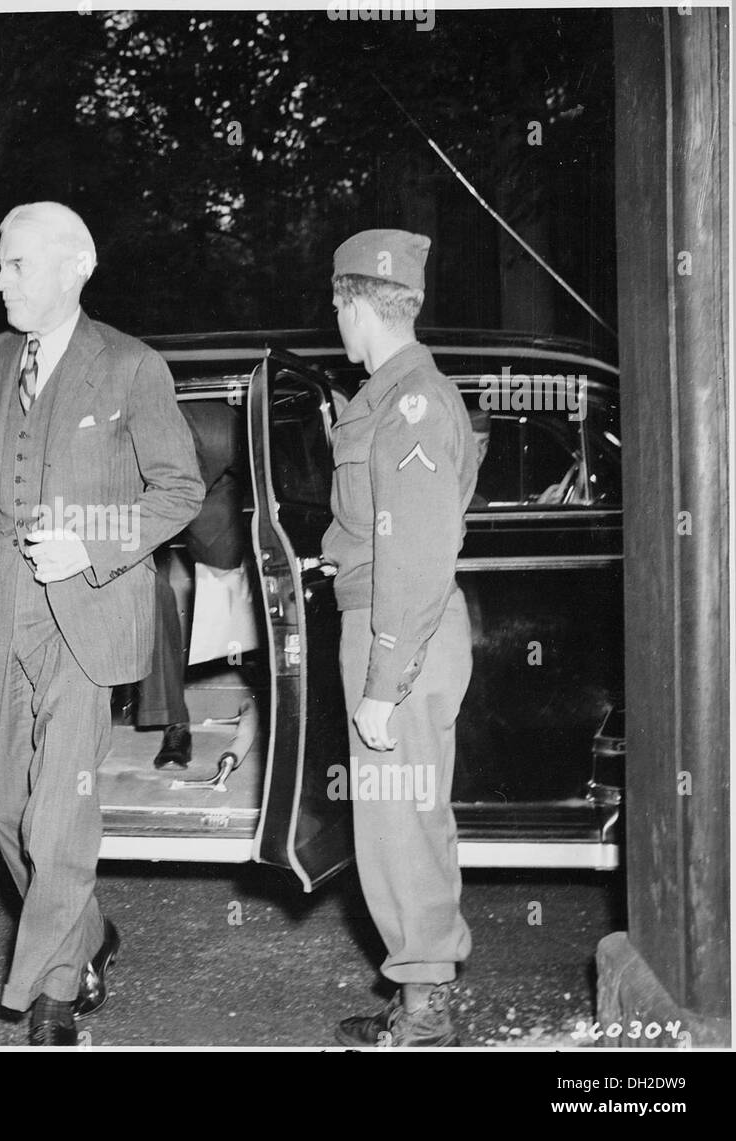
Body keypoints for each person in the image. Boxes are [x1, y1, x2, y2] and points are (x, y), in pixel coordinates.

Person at [0, 202, 203, 1046]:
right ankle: (87, 935)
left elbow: (180, 492)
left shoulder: (130, 366)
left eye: (15, 264)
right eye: (0, 264)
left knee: (59, 819)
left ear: (75, 266)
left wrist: (92, 542)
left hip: (84, 623)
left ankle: (52, 997)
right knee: (5, 809)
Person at [323, 229, 478, 1047]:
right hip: (397, 626)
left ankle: (425, 1015)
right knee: (401, 818)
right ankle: (418, 993)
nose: (335, 320)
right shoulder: (391, 394)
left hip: (398, 633)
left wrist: (384, 683)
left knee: (399, 823)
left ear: (356, 303)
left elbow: (415, 558)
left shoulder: (410, 401)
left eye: (337, 304)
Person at [136, 401, 247, 768]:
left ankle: (266, 695)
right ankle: (175, 723)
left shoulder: (225, 432)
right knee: (150, 589)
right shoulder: (124, 446)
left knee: (228, 578)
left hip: (212, 487)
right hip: (144, 504)